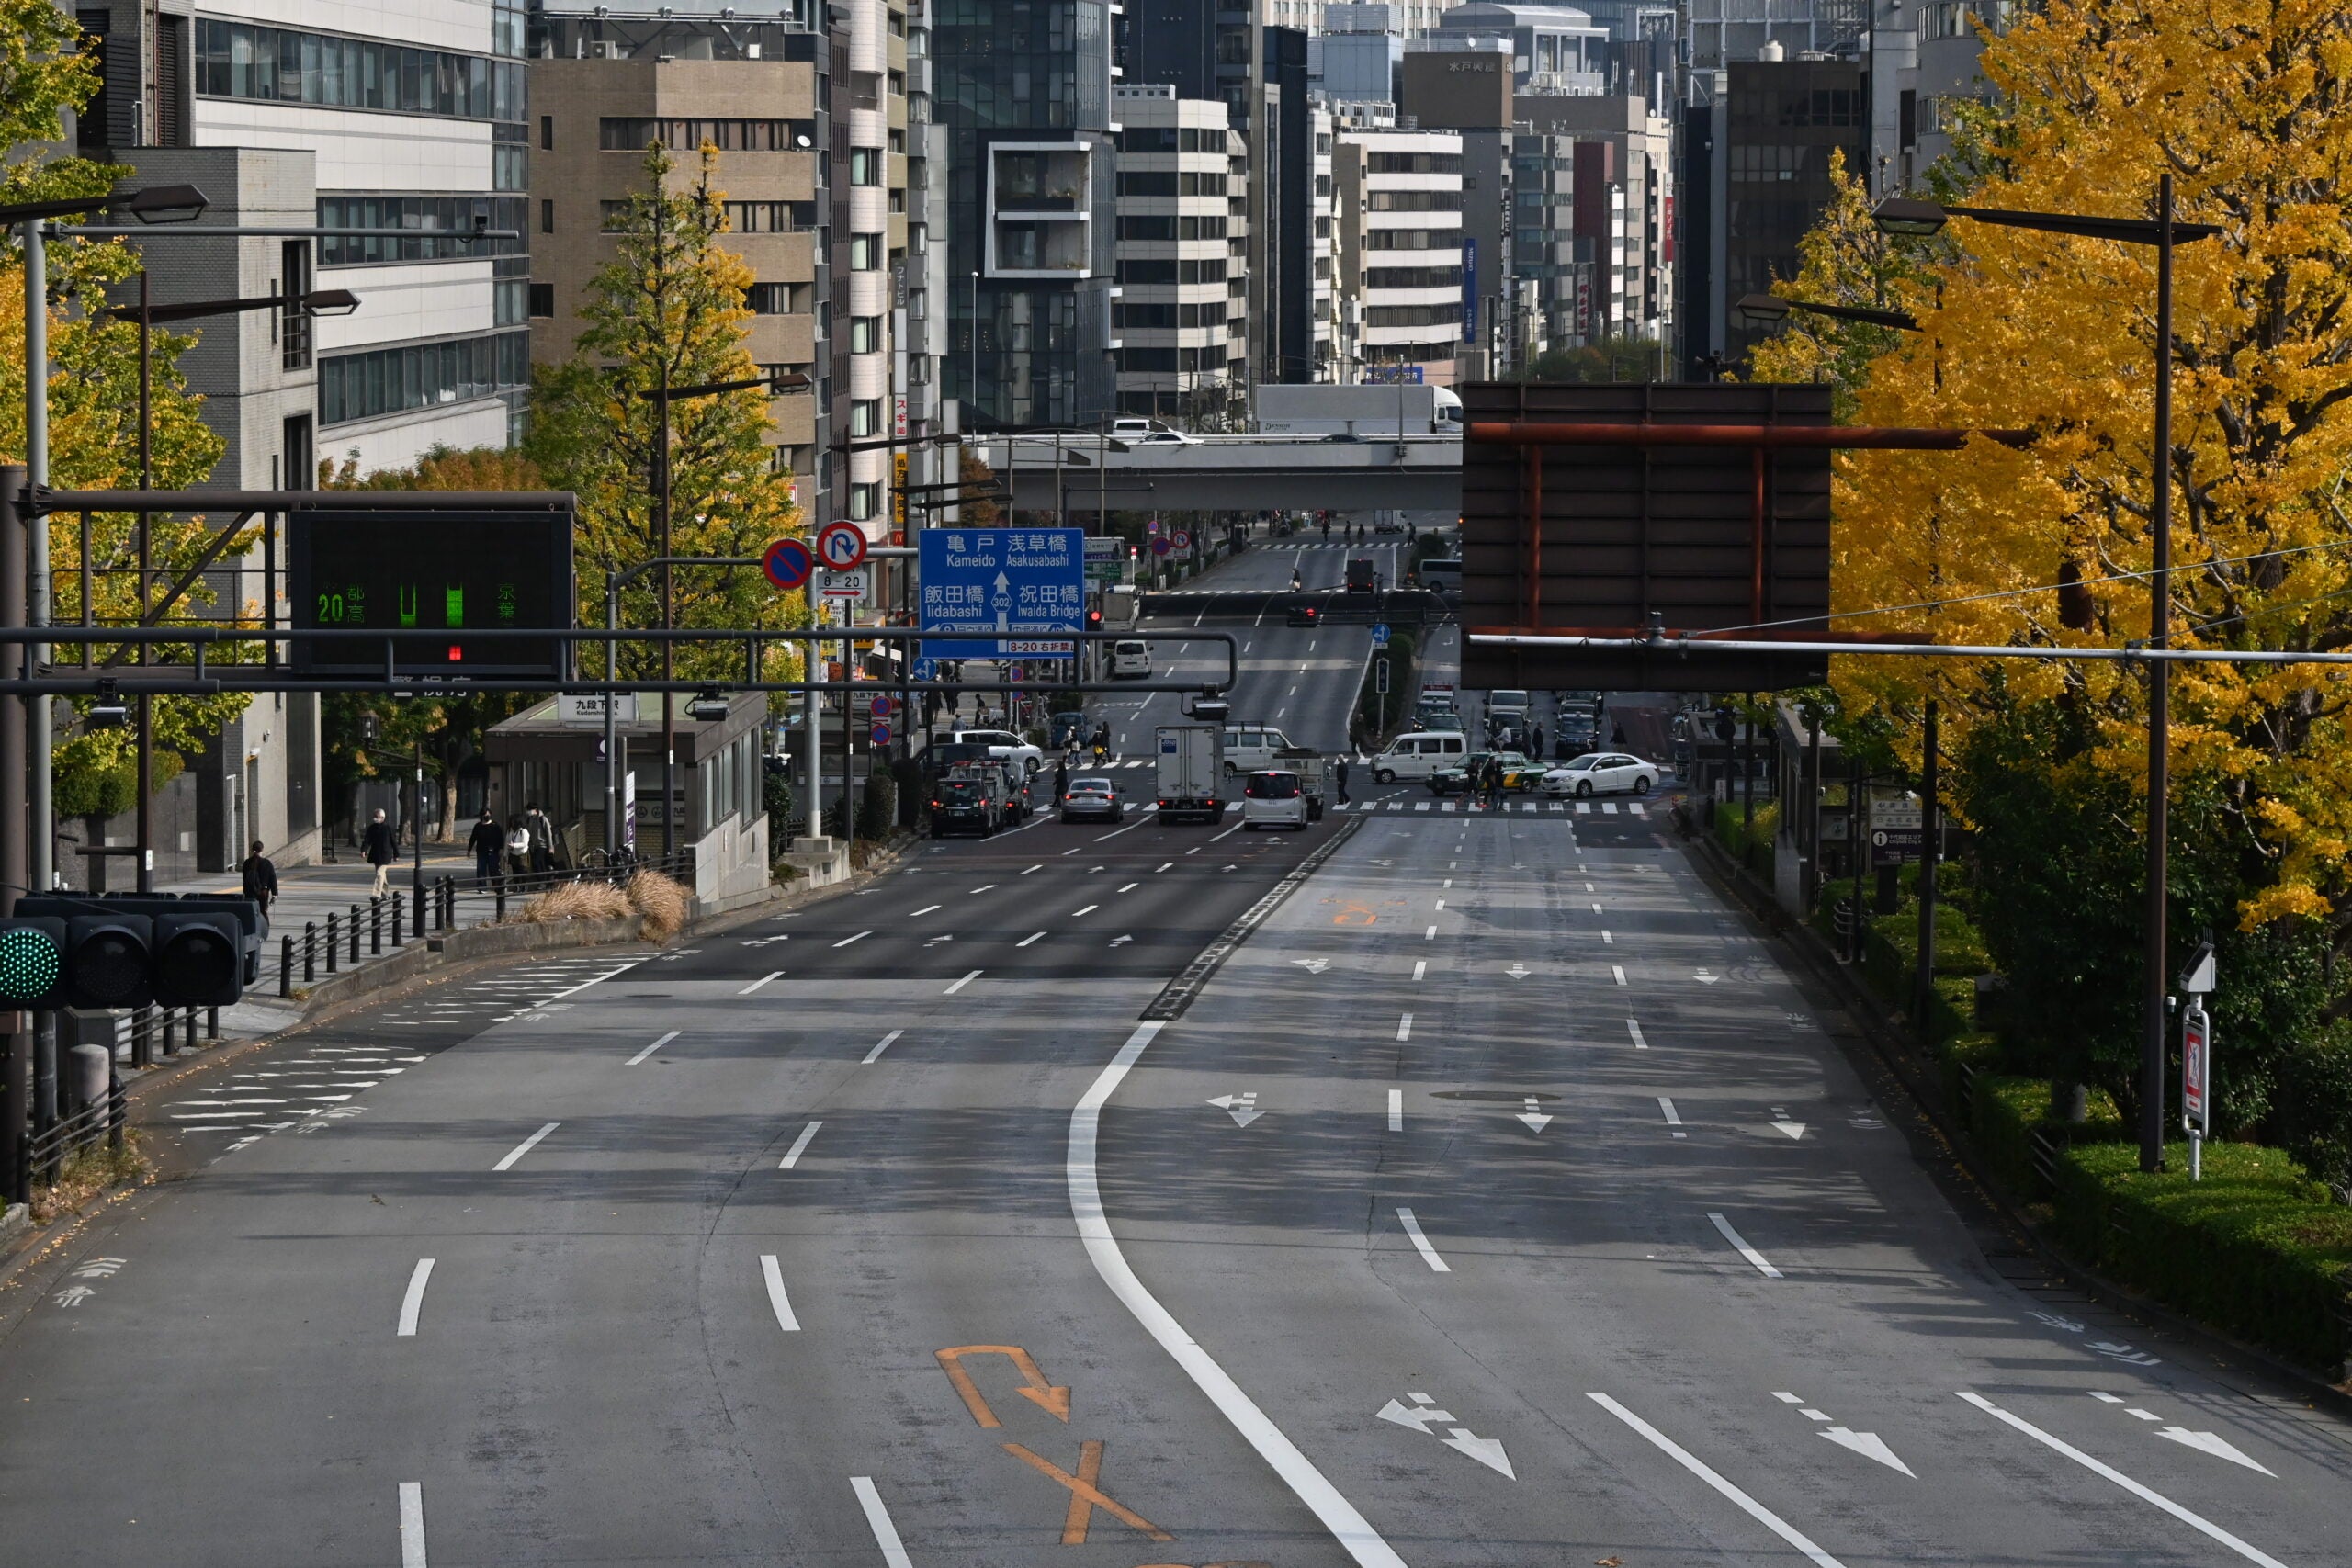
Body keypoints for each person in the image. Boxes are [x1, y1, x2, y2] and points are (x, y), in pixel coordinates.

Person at [363, 807, 399, 895]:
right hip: (375, 854)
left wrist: (396, 854)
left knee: (379, 873)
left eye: (377, 816)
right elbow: (367, 840)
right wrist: (364, 850)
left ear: (382, 817)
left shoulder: (388, 828)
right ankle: (384, 893)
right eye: (374, 816)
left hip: (386, 854)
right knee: (382, 875)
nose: (374, 818)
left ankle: (376, 894)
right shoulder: (372, 828)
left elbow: (393, 842)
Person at [467, 809, 503, 890]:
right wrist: (469, 850)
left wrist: (501, 848)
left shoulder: (495, 825)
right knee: (481, 869)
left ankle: (496, 885)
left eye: (488, 814)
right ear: (481, 816)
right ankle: (482, 887)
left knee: (493, 869)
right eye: (485, 815)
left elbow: (500, 838)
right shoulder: (478, 826)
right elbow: (473, 838)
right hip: (481, 851)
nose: (487, 816)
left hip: (493, 851)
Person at [239, 840, 278, 914]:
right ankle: (264, 925)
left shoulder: (247, 862)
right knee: (263, 912)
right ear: (262, 850)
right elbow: (272, 878)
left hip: (250, 892)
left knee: (251, 913)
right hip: (263, 892)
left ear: (252, 850)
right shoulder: (267, 863)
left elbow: (245, 878)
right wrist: (275, 893)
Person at [523, 801, 555, 874]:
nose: (528, 812)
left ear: (535, 810)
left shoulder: (543, 819)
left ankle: (542, 880)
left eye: (529, 810)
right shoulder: (529, 820)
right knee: (540, 864)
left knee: (535, 862)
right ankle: (544, 880)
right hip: (533, 846)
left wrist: (550, 847)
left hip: (542, 845)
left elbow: (549, 834)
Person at [505, 816, 532, 880]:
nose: (512, 823)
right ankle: (517, 887)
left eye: (513, 822)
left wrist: (514, 845)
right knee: (515, 873)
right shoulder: (510, 831)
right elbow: (506, 842)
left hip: (522, 855)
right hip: (513, 854)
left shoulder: (523, 831)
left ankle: (523, 887)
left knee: (522, 871)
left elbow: (525, 844)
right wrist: (505, 854)